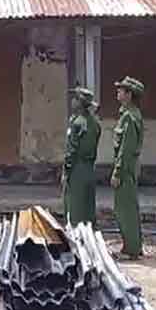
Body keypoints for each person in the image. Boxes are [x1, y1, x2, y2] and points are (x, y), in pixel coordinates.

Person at [112, 77, 145, 260]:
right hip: (127, 167)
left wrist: (117, 172)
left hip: (126, 169)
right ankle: (131, 246)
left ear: (129, 95)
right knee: (126, 207)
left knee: (125, 210)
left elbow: (126, 149)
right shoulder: (128, 114)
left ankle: (131, 248)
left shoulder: (130, 118)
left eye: (121, 90)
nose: (118, 93)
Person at [63, 87, 102, 227]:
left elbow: (72, 150)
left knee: (75, 207)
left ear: (80, 103)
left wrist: (66, 171)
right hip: (90, 167)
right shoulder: (96, 123)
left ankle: (76, 240)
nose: (72, 101)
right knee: (88, 207)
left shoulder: (77, 123)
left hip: (77, 168)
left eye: (75, 99)